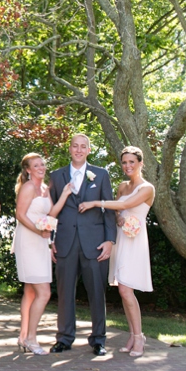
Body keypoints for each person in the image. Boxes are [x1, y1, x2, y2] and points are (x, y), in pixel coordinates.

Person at [79, 146, 154, 357]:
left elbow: (130, 204)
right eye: (124, 162)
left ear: (140, 163)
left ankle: (139, 337)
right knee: (122, 289)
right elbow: (119, 208)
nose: (128, 166)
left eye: (132, 162)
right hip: (121, 240)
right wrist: (119, 217)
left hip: (135, 242)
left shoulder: (147, 188)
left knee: (125, 290)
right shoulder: (122, 186)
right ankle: (133, 335)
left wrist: (95, 202)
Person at [49, 134, 116, 356]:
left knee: (97, 292)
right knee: (65, 292)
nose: (78, 150)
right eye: (75, 146)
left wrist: (109, 240)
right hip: (65, 242)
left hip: (94, 244)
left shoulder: (101, 174)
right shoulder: (56, 176)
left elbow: (109, 209)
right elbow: (51, 212)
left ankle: (98, 340)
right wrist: (50, 241)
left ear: (89, 150)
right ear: (69, 149)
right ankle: (64, 338)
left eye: (83, 147)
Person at [12, 153, 71, 355]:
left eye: (42, 164)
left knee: (30, 291)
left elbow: (51, 214)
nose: (41, 167)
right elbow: (20, 215)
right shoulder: (28, 187)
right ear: (28, 169)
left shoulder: (46, 189)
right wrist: (39, 231)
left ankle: (23, 336)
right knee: (44, 292)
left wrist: (64, 194)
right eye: (36, 165)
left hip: (41, 241)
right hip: (28, 241)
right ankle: (31, 338)